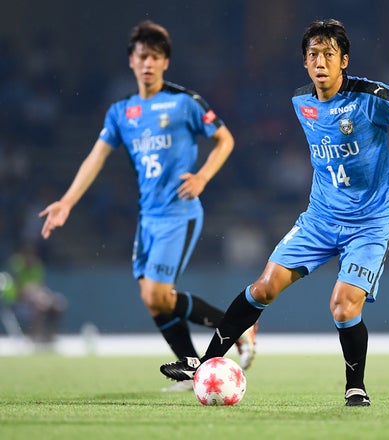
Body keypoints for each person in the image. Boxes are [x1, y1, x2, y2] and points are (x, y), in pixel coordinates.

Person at [160, 18, 389, 406]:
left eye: (329, 54)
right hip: (319, 219)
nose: (320, 61)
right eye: (313, 54)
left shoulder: (370, 97)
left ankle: (355, 386)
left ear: (344, 60)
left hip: (368, 224)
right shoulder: (301, 102)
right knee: (264, 287)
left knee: (342, 305)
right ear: (304, 62)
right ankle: (204, 363)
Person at [38, 20, 257, 391]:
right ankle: (193, 368)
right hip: (148, 218)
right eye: (142, 57)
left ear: (166, 62)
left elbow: (225, 139)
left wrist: (202, 177)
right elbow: (96, 157)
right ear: (131, 60)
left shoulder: (184, 102)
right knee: (153, 299)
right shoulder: (121, 112)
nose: (148, 64)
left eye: (155, 57)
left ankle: (237, 326)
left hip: (180, 212)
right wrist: (67, 201)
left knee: (157, 293)